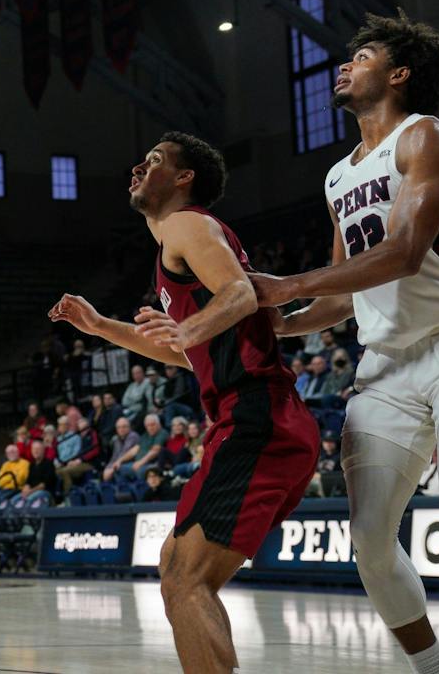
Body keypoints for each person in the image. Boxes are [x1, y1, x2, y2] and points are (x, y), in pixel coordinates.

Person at [251, 13, 439, 673]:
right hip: (383, 369)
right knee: (371, 545)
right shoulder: (337, 178)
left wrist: (285, 282)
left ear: (399, 73)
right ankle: (436, 671)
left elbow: (406, 252)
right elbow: (343, 292)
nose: (343, 66)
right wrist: (284, 320)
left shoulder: (427, 138)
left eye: (361, 56)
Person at [51, 131, 319, 674]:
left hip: (258, 417)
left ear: (182, 178)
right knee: (177, 568)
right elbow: (193, 355)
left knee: (184, 577)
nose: (137, 166)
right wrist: (104, 327)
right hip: (251, 419)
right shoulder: (176, 246)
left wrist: (188, 326)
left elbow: (240, 294)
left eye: (153, 161)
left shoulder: (186, 225)